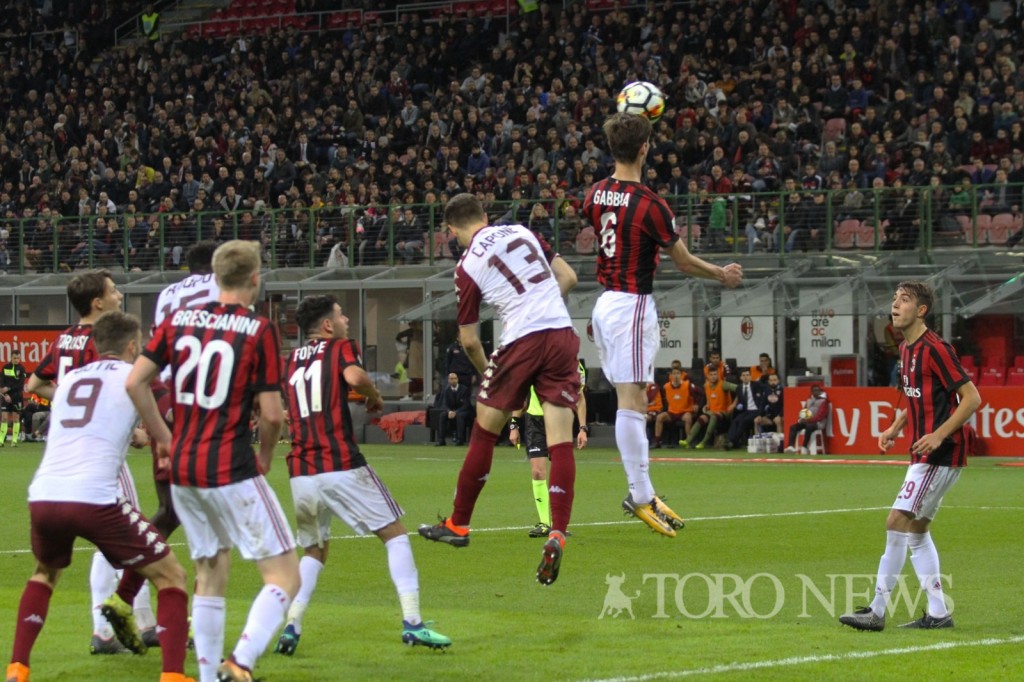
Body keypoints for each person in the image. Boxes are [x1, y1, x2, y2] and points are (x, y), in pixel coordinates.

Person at [126, 240, 300, 682]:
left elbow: (135, 383)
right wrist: (264, 455)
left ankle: (206, 677)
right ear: (255, 279)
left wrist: (164, 437)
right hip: (230, 464)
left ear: (216, 278)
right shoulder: (258, 329)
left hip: (184, 466)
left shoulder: (177, 321)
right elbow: (274, 415)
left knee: (210, 570)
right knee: (284, 576)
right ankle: (240, 662)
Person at [6, 311, 192, 682]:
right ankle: (174, 676)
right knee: (172, 576)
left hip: (44, 494)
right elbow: (167, 424)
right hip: (94, 497)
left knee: (44, 574)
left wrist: (135, 435)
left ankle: (17, 669)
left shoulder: (71, 377)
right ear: (133, 346)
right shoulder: (135, 376)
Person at [583, 113, 742, 536]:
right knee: (632, 401)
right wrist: (721, 274)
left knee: (630, 398)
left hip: (605, 302)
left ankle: (644, 491)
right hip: (631, 304)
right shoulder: (651, 204)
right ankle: (639, 495)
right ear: (644, 148)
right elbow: (684, 261)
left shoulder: (595, 193)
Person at [418, 193, 580, 586]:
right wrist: (540, 306)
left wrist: (490, 373)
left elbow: (470, 341)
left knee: (484, 432)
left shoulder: (466, 265)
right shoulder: (523, 230)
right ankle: (557, 530)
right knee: (560, 440)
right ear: (486, 216)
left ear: (452, 230)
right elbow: (569, 278)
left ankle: (459, 524)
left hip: (520, 340)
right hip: (561, 333)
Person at [274, 295, 450, 656]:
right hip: (339, 463)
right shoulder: (338, 348)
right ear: (327, 326)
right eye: (341, 316)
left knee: (314, 550)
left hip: (300, 470)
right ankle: (413, 622)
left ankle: (291, 626)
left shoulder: (289, 360)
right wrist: (373, 396)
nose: (346, 322)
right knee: (395, 535)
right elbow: (354, 376)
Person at [24, 270, 155, 654]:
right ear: (97, 303)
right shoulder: (103, 341)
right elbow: (110, 389)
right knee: (131, 535)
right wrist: (134, 433)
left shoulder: (64, 339)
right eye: (113, 291)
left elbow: (34, 385)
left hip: (64, 452)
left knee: (116, 538)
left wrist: (66, 401)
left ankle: (130, 623)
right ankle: (118, 626)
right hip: (99, 452)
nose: (119, 295)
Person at [840, 281, 981, 632]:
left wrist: (937, 435)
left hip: (939, 453)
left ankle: (876, 611)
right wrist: (894, 427)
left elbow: (972, 398)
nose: (895, 305)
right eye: (893, 299)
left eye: (904, 300)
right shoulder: (906, 348)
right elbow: (914, 395)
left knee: (895, 523)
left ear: (921, 311)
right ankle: (938, 613)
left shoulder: (936, 349)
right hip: (926, 452)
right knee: (916, 531)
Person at [108, 241, 221, 648]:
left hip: (164, 402)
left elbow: (159, 353)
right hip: (201, 408)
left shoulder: (167, 295)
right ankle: (199, 632)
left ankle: (123, 598)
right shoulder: (223, 285)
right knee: (209, 526)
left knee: (171, 512)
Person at [509, 360, 588, 538]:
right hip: (534, 421)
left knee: (560, 472)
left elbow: (580, 398)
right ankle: (545, 523)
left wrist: (583, 428)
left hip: (559, 418)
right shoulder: (533, 359)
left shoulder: (574, 366)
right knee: (538, 472)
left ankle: (559, 524)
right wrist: (514, 424)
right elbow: (520, 395)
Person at [681, 369, 736, 450]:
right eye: (711, 375)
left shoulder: (724, 384)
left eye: (715, 374)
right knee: (702, 417)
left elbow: (739, 389)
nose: (713, 377)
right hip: (713, 410)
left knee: (714, 416)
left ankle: (703, 442)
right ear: (708, 376)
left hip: (724, 412)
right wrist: (707, 405)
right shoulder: (706, 385)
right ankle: (688, 440)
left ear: (718, 375)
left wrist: (733, 404)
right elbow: (709, 397)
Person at [651, 367, 698, 449]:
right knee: (659, 417)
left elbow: (699, 393)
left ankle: (688, 441)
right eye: (674, 374)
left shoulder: (687, 385)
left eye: (678, 373)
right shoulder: (666, 386)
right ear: (671, 375)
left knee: (688, 418)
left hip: (684, 411)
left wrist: (696, 404)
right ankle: (657, 441)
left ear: (681, 375)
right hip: (672, 412)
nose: (676, 376)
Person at [784, 384, 830, 454]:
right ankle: (790, 446)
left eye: (818, 390)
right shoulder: (809, 400)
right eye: (814, 390)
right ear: (811, 392)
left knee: (809, 427)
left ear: (821, 391)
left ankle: (805, 446)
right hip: (808, 422)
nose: (816, 392)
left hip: (818, 423)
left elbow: (820, 416)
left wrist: (808, 420)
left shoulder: (824, 401)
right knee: (793, 427)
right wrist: (801, 418)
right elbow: (804, 410)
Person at [725, 369, 763, 450]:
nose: (746, 377)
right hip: (746, 411)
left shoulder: (756, 385)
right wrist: (736, 405)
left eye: (747, 375)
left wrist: (760, 413)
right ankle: (729, 440)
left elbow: (762, 399)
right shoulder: (739, 388)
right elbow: (739, 399)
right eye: (744, 375)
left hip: (755, 410)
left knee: (743, 421)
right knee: (736, 420)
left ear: (750, 376)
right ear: (740, 378)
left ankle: (733, 441)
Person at [433, 372, 472, 446]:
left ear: (457, 379)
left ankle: (460, 440)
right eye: (451, 379)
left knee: (459, 416)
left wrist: (456, 412)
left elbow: (466, 405)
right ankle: (442, 440)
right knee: (442, 415)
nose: (453, 380)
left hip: (463, 411)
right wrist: (449, 411)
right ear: (448, 380)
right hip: (451, 411)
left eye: (455, 378)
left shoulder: (464, 389)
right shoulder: (446, 390)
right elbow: (444, 404)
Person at [0, 350, 27, 447]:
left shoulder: (22, 369)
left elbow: (20, 384)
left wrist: (9, 389)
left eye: (18, 358)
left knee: (16, 419)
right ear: (11, 357)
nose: (16, 360)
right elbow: (2, 381)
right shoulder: (5, 368)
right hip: (6, 396)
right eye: (14, 358)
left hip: (17, 397)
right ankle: (1, 440)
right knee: (4, 418)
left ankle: (14, 441)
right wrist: (4, 392)